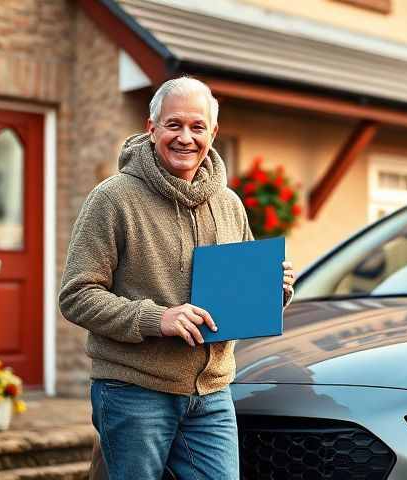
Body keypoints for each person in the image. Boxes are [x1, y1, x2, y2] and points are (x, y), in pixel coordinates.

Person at [59, 76, 296, 480]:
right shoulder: (113, 198)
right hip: (134, 391)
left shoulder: (229, 203)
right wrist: (157, 319)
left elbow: (239, 301)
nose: (185, 137)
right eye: (174, 125)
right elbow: (77, 295)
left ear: (213, 133)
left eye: (197, 126)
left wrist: (274, 288)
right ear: (152, 129)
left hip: (212, 393)